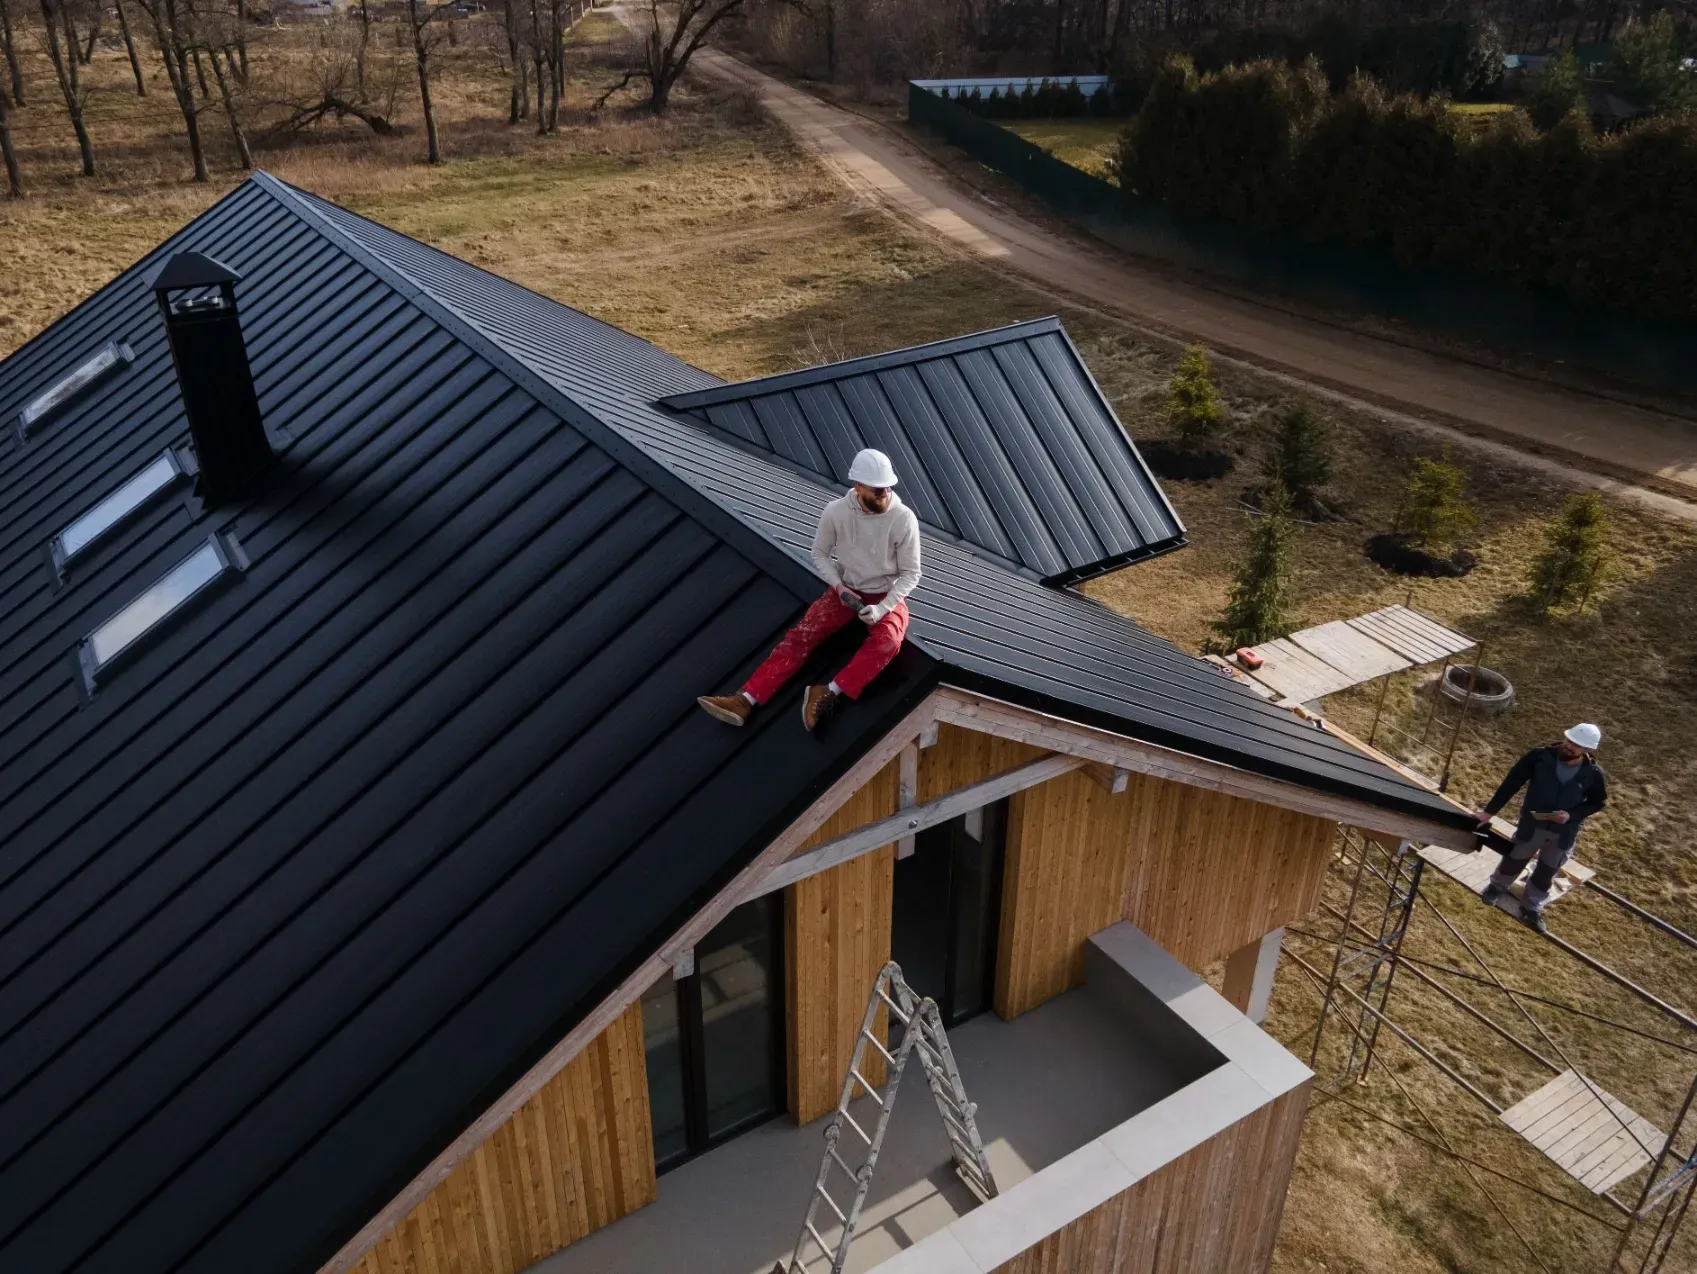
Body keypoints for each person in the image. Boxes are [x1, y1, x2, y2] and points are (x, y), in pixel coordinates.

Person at [697, 448, 921, 734]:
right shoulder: (835, 512)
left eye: (887, 488)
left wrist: (883, 607)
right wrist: (839, 588)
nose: (884, 494)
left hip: (885, 596)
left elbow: (912, 574)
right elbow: (819, 554)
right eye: (877, 490)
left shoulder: (903, 518)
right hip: (845, 589)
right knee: (802, 636)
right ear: (858, 486)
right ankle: (745, 700)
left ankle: (828, 692)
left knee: (888, 642)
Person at [1473, 723, 1607, 934]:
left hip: (1564, 831)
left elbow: (1597, 802)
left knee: (1548, 868)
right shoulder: (1539, 757)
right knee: (1516, 855)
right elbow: (1512, 782)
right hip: (1533, 822)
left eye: (1576, 745)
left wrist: (1572, 815)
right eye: (1569, 740)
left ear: (1588, 750)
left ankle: (1531, 907)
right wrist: (1489, 812)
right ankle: (1496, 887)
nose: (1570, 746)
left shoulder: (1593, 774)